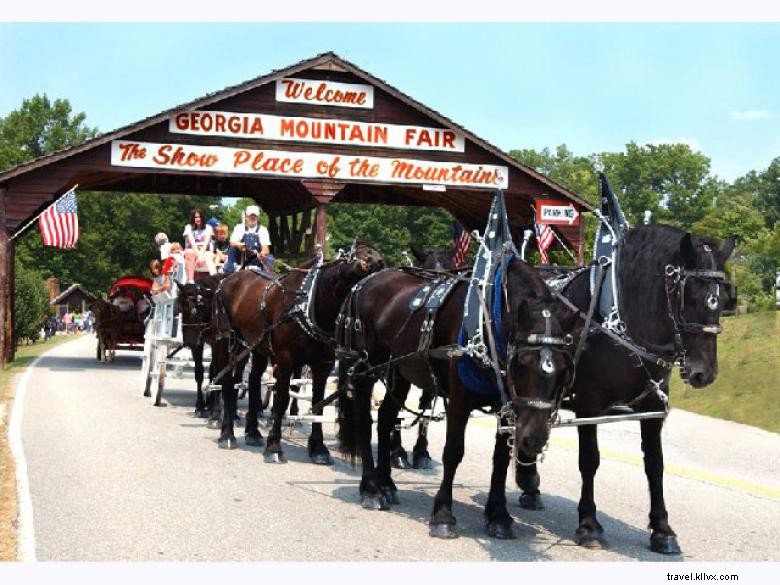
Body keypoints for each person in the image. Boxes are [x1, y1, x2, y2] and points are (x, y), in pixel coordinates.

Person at [224, 204, 274, 273]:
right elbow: (232, 242)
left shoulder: (263, 230)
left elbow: (265, 249)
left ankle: (269, 277)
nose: (252, 218)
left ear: (258, 217)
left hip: (256, 260)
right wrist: (239, 245)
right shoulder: (239, 228)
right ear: (246, 216)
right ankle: (229, 272)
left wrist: (262, 253)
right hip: (240, 260)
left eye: (255, 216)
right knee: (232, 248)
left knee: (269, 257)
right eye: (250, 216)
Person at [183, 208, 216, 282]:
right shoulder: (188, 227)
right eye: (196, 217)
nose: (198, 219)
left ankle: (215, 280)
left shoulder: (208, 228)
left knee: (208, 256)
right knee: (190, 253)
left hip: (205, 250)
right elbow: (192, 242)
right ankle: (191, 281)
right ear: (193, 218)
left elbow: (206, 243)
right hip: (192, 249)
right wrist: (199, 255)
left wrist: (201, 255)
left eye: (200, 217)